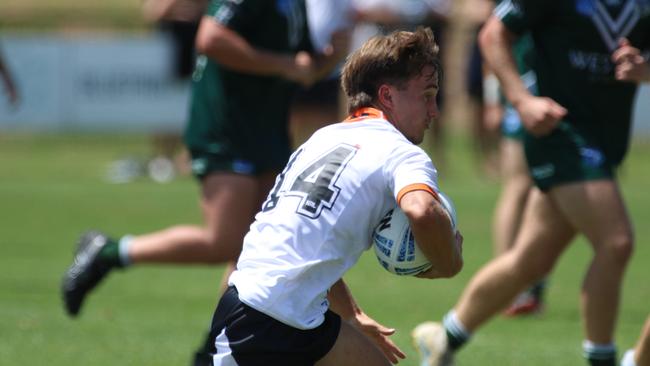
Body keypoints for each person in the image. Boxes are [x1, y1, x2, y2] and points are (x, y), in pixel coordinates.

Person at [62, 0, 350, 318]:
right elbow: (211, 38)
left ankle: (216, 348)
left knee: (256, 248)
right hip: (226, 129)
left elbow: (302, 69)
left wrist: (329, 58)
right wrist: (283, 64)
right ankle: (109, 252)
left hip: (267, 131)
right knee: (224, 242)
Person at [197, 27, 464, 365]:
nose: (434, 110)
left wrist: (352, 315)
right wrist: (448, 261)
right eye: (427, 95)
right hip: (263, 321)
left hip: (280, 311)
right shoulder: (400, 152)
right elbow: (423, 210)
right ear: (388, 96)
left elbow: (312, 239)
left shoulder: (322, 139)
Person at [411, 0, 650, 365]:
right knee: (616, 242)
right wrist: (521, 101)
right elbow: (493, 34)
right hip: (559, 131)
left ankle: (444, 337)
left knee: (530, 260)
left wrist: (645, 69)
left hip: (606, 140)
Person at [483, 31, 546, 317]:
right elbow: (494, 40)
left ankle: (529, 280)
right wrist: (492, 100)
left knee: (545, 190)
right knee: (518, 187)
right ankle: (507, 284)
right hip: (523, 98)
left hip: (553, 98)